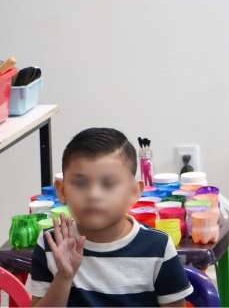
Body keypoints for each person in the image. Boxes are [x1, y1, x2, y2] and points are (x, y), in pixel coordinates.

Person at [29, 128, 192, 306]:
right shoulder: (52, 243)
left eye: (109, 184)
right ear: (61, 191)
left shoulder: (158, 247)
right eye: (81, 183)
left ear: (134, 192)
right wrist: (64, 277)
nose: (94, 195)